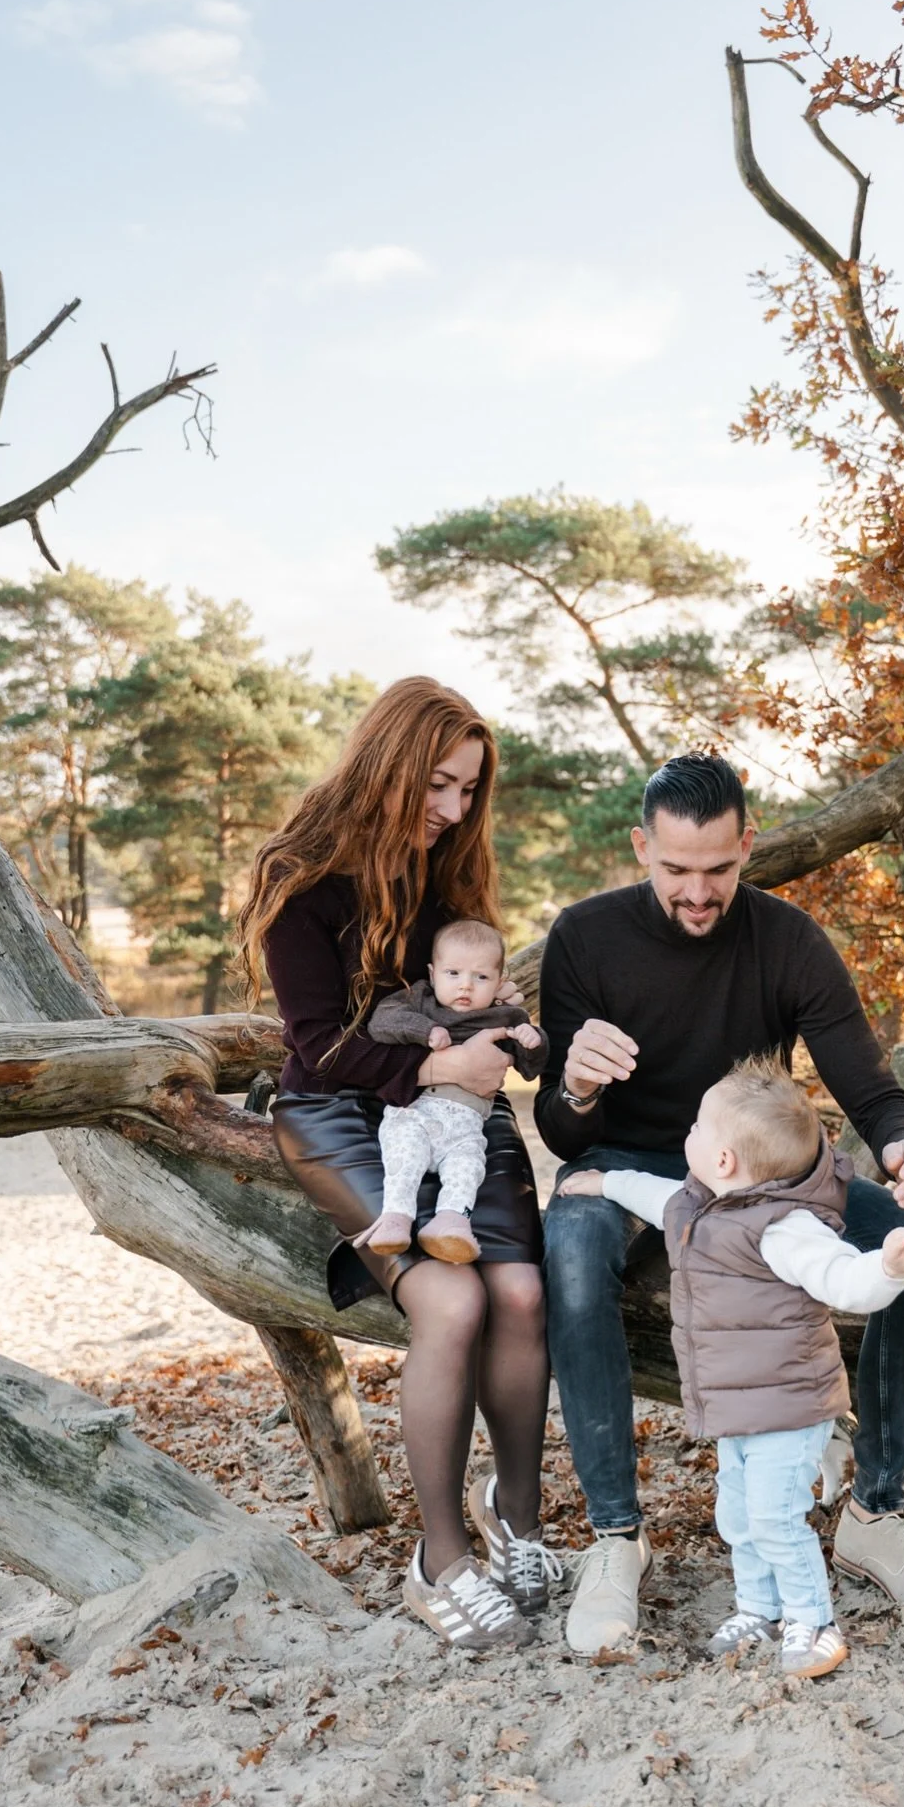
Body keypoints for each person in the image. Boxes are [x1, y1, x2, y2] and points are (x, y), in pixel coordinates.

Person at [537, 752, 904, 1655]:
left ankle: (875, 1512)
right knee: (572, 1251)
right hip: (631, 1160)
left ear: (749, 844)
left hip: (773, 1176)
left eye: (718, 870)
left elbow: (867, 1083)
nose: (697, 894)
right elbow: (563, 1130)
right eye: (674, 872)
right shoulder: (584, 938)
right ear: (640, 849)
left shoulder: (788, 941)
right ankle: (617, 1539)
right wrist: (577, 1089)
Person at [237, 676, 561, 1650]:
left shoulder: (448, 873)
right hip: (338, 1112)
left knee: (522, 1297)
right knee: (452, 1303)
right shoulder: (298, 876)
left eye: (469, 790)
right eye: (439, 784)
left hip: (457, 1108)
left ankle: (519, 1519)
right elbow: (318, 1044)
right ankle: (442, 1559)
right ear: (388, 759)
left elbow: (478, 1010)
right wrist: (435, 1061)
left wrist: (501, 1050)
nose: (455, 809)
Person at [558, 1058, 904, 1678]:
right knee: (736, 1516)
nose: (690, 1133)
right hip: (738, 1409)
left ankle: (813, 1622)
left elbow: (844, 1281)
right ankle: (758, 1610)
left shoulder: (785, 1228)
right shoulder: (698, 1206)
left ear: (727, 1160)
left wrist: (889, 1266)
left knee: (776, 1519)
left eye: (700, 1127)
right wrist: (604, 1183)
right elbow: (652, 1197)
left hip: (788, 1408)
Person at [363, 918, 548, 1264]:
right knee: (405, 1157)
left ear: (499, 981)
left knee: (469, 1166)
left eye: (481, 977)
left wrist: (532, 1041)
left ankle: (451, 1222)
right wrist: (425, 1031)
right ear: (433, 974)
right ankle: (396, 1219)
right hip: (414, 1112)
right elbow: (382, 1020)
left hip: (465, 1126)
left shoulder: (506, 1016)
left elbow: (531, 1067)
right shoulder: (421, 1000)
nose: (466, 986)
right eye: (453, 974)